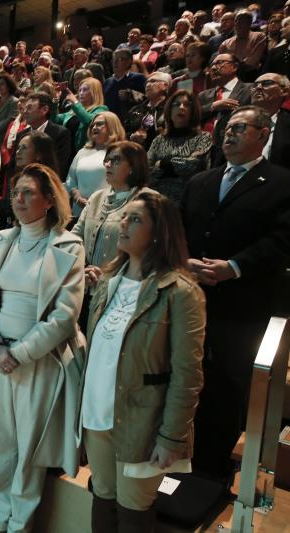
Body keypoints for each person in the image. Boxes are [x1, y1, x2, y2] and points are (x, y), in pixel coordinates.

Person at [0, 163, 85, 533]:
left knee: (28, 451)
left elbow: (64, 315)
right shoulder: (0, 241)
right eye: (16, 192)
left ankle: (20, 525)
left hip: (38, 361)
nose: (19, 199)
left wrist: (20, 353)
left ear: (49, 201)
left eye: (29, 193)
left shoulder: (68, 245)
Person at [82, 191, 205, 533]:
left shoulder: (180, 291)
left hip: (143, 420)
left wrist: (172, 436)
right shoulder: (107, 282)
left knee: (134, 509)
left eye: (135, 219)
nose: (124, 224)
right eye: (125, 217)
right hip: (96, 413)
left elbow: (187, 374)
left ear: (159, 232)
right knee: (102, 498)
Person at [183, 106, 290, 482]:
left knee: (226, 385)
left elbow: (282, 240)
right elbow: (179, 232)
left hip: (241, 305)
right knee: (183, 378)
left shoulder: (281, 182)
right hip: (190, 299)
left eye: (240, 128)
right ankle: (177, 460)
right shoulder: (202, 181)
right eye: (227, 128)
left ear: (263, 134)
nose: (229, 134)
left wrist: (234, 267)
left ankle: (210, 471)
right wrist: (185, 262)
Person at [72, 141, 156, 326]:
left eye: (116, 160)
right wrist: (82, 268)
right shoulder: (96, 197)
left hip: (124, 294)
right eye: (107, 160)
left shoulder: (149, 200)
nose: (108, 164)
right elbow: (75, 238)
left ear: (134, 167)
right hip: (85, 289)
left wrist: (112, 275)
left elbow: (151, 250)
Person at [147, 90, 212, 203]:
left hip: (188, 200)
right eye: (176, 104)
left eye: (187, 105)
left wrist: (162, 164)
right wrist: (176, 168)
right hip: (157, 201)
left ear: (193, 112)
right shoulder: (159, 140)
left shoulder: (203, 137)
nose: (181, 107)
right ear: (169, 110)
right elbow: (147, 171)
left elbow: (193, 165)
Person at [66, 111, 126, 217]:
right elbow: (71, 179)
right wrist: (77, 197)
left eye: (99, 124)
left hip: (109, 211)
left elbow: (125, 183)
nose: (94, 127)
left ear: (112, 126)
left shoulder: (122, 151)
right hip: (80, 211)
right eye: (92, 125)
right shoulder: (82, 152)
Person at [58, 77, 109, 151]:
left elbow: (89, 121)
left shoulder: (101, 109)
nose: (81, 93)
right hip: (67, 151)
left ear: (94, 92)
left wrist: (75, 102)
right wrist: (55, 100)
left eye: (85, 90)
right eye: (80, 90)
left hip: (85, 151)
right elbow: (55, 119)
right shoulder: (74, 110)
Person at [125, 72, 171, 151]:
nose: (148, 85)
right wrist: (131, 137)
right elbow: (124, 131)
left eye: (153, 81)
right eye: (147, 82)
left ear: (165, 86)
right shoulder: (136, 109)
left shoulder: (170, 109)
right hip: (134, 153)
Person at [103, 49, 146, 118]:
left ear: (129, 62)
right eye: (114, 59)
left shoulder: (139, 78)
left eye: (120, 59)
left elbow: (147, 100)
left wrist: (131, 95)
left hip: (129, 123)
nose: (115, 62)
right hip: (111, 122)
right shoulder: (108, 82)